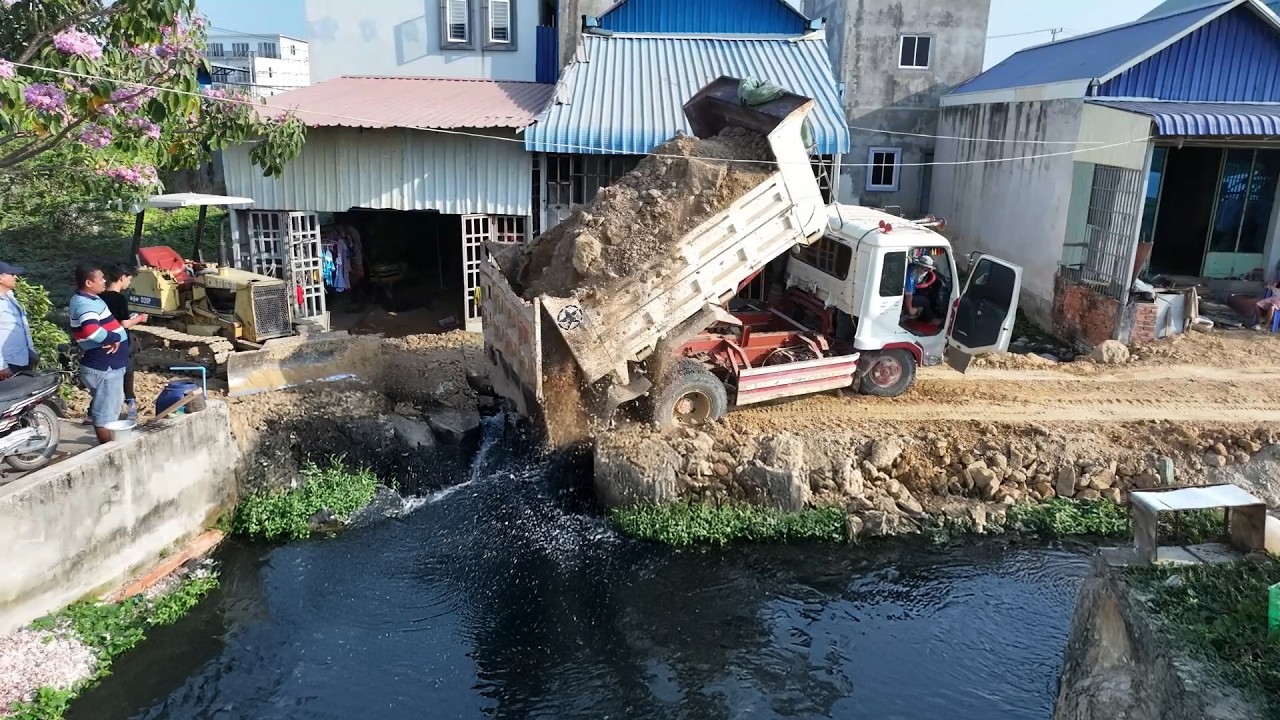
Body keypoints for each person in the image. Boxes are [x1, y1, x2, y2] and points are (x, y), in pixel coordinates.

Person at [69, 262, 129, 444]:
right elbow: (91, 331)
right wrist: (113, 338)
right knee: (105, 415)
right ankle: (107, 449)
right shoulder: (84, 304)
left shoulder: (91, 298)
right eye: (101, 278)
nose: (104, 281)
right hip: (105, 367)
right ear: (88, 283)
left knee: (111, 407)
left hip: (108, 365)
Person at [100, 264, 148, 421]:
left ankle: (94, 410)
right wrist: (140, 318)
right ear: (122, 278)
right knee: (127, 373)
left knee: (105, 377)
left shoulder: (99, 296)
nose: (129, 283)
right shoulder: (119, 299)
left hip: (102, 340)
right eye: (129, 279)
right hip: (119, 341)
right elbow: (124, 324)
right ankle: (131, 407)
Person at [0, 260, 39, 380]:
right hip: (7, 363)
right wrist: (1, 366)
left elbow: (22, 327)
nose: (16, 277)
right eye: (12, 274)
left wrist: (31, 353)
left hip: (21, 359)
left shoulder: (10, 297)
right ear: (1, 278)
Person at [903, 255, 939, 322]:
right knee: (925, 301)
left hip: (913, 290)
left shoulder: (913, 267)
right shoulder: (911, 275)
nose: (927, 270)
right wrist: (910, 310)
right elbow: (908, 295)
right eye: (925, 268)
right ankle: (930, 320)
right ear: (920, 266)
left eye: (928, 269)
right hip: (905, 297)